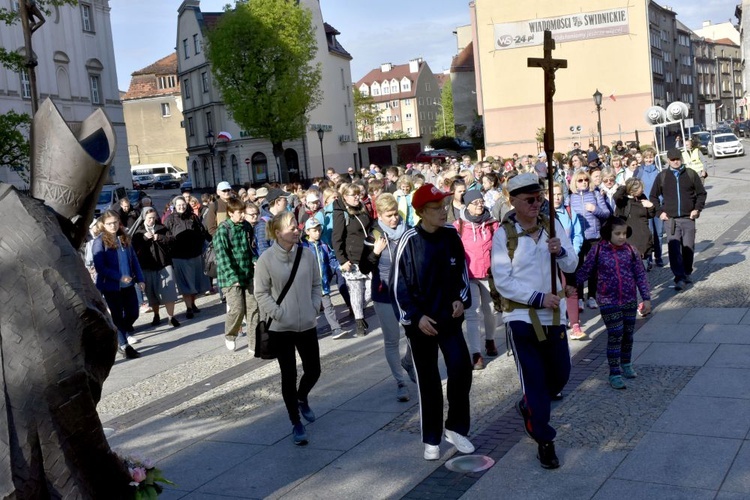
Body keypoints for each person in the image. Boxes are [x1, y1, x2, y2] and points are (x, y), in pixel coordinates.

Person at [491, 173, 578, 469]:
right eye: (529, 199)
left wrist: (561, 251)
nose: (536, 204)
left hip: (554, 316)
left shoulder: (552, 226)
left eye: (539, 198)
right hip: (521, 317)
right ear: (512, 202)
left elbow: (572, 263)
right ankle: (544, 439)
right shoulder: (504, 234)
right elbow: (503, 280)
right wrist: (537, 298)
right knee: (535, 382)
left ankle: (529, 405)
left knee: (561, 376)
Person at [392, 183, 475, 461]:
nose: (443, 212)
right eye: (437, 208)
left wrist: (459, 300)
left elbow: (463, 273)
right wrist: (415, 317)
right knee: (428, 380)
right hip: (421, 324)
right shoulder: (408, 240)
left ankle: (456, 427)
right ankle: (431, 437)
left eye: (444, 207)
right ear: (421, 212)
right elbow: (397, 286)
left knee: (461, 368)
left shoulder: (452, 235)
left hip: (448, 318)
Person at [254, 211, 322, 446]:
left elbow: (316, 283)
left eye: (297, 226)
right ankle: (296, 422)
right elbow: (260, 293)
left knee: (314, 370)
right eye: (291, 227)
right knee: (289, 375)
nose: (297, 230)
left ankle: (301, 397)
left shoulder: (306, 253)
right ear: (277, 232)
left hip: (307, 324)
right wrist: (278, 313)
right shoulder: (266, 259)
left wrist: (314, 306)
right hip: (282, 328)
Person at [577, 217, 652, 389]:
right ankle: (614, 372)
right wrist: (571, 287)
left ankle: (626, 364)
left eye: (624, 233)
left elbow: (640, 275)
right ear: (607, 233)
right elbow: (585, 271)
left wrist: (646, 298)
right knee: (616, 333)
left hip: (629, 299)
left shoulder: (631, 251)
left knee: (627, 334)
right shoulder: (597, 251)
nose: (621, 237)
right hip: (607, 299)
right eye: (617, 233)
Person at [363, 193, 415, 401]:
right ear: (380, 215)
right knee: (392, 339)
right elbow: (364, 266)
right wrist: (375, 252)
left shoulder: (409, 231)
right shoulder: (373, 236)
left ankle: (409, 362)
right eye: (389, 215)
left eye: (395, 214)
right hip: (384, 293)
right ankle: (400, 381)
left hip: (407, 293)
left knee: (415, 335)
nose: (394, 219)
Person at [649, 148, 707, 290]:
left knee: (688, 247)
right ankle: (678, 277)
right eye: (673, 159)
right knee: (674, 249)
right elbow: (653, 197)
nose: (675, 162)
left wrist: (697, 209)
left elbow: (701, 194)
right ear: (668, 160)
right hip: (671, 220)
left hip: (688, 218)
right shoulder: (662, 176)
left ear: (681, 159)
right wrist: (660, 212)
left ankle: (687, 272)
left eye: (678, 159)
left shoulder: (690, 174)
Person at [453, 189, 499, 370]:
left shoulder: (492, 224)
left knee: (491, 311)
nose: (480, 205)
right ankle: (476, 353)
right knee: (472, 314)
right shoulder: (458, 226)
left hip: (489, 274)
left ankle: (490, 340)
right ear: (467, 205)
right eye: (475, 202)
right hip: (468, 276)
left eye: (481, 201)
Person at [92, 210, 145, 359]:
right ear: (103, 224)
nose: (113, 226)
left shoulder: (124, 237)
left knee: (133, 312)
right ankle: (124, 346)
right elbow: (100, 268)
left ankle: (119, 332)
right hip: (111, 286)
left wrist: (140, 279)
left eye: (115, 222)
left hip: (128, 286)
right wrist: (119, 277)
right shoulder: (100, 241)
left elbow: (133, 260)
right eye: (109, 223)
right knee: (117, 316)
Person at [213, 197, 260, 352]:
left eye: (242, 212)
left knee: (253, 309)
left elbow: (251, 248)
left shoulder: (246, 227)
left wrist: (255, 260)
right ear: (230, 213)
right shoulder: (223, 230)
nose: (241, 215)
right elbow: (222, 257)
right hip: (230, 277)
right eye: (239, 212)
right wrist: (233, 278)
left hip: (247, 273)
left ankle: (254, 344)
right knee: (237, 309)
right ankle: (230, 334)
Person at [331, 183, 373, 337]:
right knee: (355, 292)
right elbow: (336, 239)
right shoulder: (340, 213)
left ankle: (358, 311)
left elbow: (369, 226)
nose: (357, 197)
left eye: (358, 194)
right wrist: (342, 260)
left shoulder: (362, 207)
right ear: (345, 197)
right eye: (353, 195)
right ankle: (359, 322)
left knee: (372, 288)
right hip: (352, 259)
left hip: (368, 255)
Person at [568, 170, 611, 310]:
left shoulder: (595, 194)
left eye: (586, 179)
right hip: (578, 238)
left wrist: (595, 209)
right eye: (580, 180)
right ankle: (579, 298)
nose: (583, 182)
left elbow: (606, 214)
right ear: (574, 182)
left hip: (594, 236)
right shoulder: (570, 198)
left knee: (593, 268)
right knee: (578, 268)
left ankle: (592, 296)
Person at [131, 207, 181, 327]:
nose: (152, 220)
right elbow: (134, 249)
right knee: (151, 293)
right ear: (144, 218)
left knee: (169, 291)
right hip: (147, 266)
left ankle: (171, 317)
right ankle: (156, 315)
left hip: (164, 263)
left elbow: (172, 240)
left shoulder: (162, 228)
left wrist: (160, 237)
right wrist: (144, 239)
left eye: (154, 218)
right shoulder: (138, 232)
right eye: (149, 218)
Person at [548, 182, 586, 340]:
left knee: (571, 288)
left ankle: (575, 324)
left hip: (568, 256)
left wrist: (573, 251)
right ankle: (558, 321)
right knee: (555, 289)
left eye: (559, 194)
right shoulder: (545, 216)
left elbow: (578, 233)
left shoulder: (569, 212)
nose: (556, 197)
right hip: (551, 260)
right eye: (553, 194)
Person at [164, 196, 211, 317]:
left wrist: (199, 244)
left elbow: (201, 232)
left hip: (195, 254)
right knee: (185, 283)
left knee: (194, 282)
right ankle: (188, 308)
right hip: (179, 256)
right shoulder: (170, 219)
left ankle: (193, 303)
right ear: (174, 206)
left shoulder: (193, 217)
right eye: (179, 205)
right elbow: (166, 237)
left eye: (183, 204)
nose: (181, 207)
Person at [302, 218, 344, 339]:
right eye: (314, 230)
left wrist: (339, 267)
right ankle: (310, 332)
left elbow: (331, 259)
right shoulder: (303, 247)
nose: (318, 233)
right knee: (311, 310)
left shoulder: (324, 245)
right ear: (307, 231)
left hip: (324, 283)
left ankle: (336, 328)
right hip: (308, 286)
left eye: (319, 230)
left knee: (328, 306)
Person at [614, 178, 655, 265]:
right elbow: (616, 196)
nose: (643, 190)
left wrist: (651, 206)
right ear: (633, 190)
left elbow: (650, 215)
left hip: (643, 238)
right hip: (630, 240)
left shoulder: (642, 197)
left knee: (642, 270)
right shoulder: (623, 202)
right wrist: (626, 186)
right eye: (641, 188)